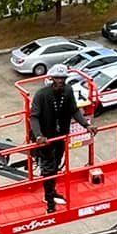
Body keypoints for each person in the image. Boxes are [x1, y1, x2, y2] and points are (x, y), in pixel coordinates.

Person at [27, 63, 91, 213]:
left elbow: (74, 110)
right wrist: (39, 136)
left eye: (62, 78)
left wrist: (86, 125)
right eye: (57, 78)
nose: (60, 81)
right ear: (51, 78)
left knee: (56, 166)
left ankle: (51, 192)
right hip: (46, 139)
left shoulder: (68, 91)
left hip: (60, 136)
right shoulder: (41, 95)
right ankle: (49, 201)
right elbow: (34, 117)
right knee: (48, 169)